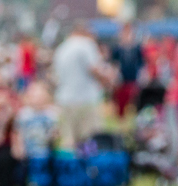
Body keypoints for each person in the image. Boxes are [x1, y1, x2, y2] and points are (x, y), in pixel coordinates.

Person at [51, 20, 113, 150]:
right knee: (90, 140)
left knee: (68, 140)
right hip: (85, 99)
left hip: (65, 99)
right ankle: (88, 169)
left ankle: (68, 168)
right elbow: (95, 69)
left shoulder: (62, 48)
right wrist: (108, 79)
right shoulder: (86, 44)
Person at [109, 22, 144, 120]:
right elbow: (114, 64)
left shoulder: (137, 48)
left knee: (134, 103)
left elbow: (141, 64)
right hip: (121, 81)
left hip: (133, 80)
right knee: (120, 104)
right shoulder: (117, 49)